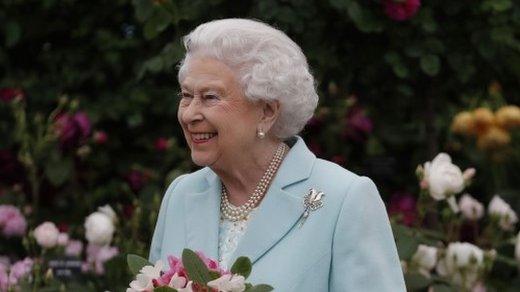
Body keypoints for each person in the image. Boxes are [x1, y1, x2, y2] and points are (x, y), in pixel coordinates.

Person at [149, 18, 406, 291]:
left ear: (267, 112)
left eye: (210, 97)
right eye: (187, 95)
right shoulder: (181, 194)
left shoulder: (344, 198)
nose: (189, 114)